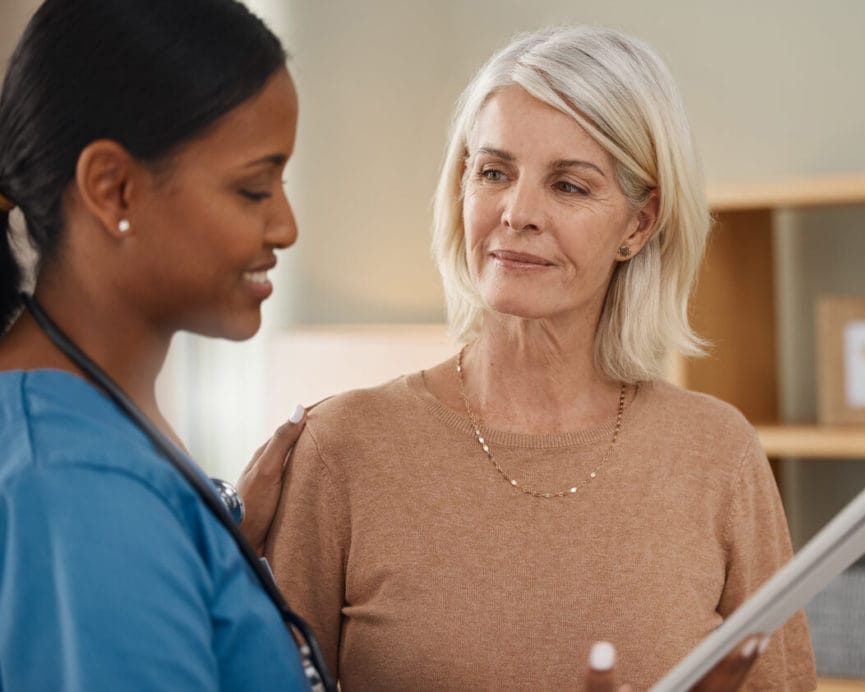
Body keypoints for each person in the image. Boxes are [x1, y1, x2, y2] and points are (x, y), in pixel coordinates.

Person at [252, 25, 817, 690]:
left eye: (569, 186)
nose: (517, 212)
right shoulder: (341, 449)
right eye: (494, 172)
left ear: (638, 225)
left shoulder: (717, 452)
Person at [0, 0, 329, 688]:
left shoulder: (94, 447)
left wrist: (212, 540)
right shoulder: (82, 489)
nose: (287, 227)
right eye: (252, 188)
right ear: (113, 190)